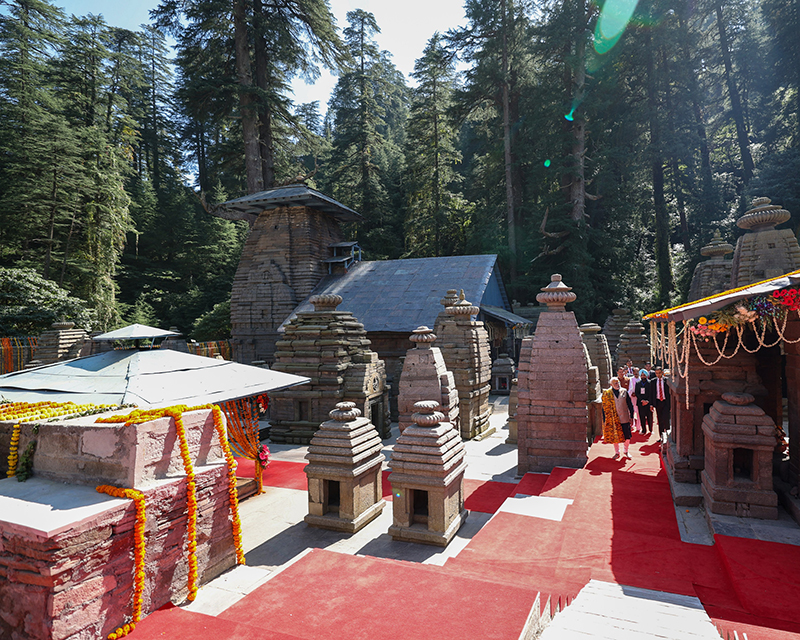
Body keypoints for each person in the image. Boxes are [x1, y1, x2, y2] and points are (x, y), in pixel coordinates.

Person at [602, 377, 634, 459]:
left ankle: (626, 451)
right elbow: (604, 407)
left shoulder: (624, 391)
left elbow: (630, 405)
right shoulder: (607, 393)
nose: (618, 384)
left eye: (618, 382)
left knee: (627, 436)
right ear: (611, 385)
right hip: (613, 418)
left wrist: (632, 416)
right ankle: (617, 452)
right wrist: (605, 419)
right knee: (615, 437)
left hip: (624, 417)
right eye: (615, 383)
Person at [652, 366, 671, 442]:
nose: (658, 374)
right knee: (660, 420)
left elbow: (669, 393)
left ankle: (668, 436)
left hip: (665, 402)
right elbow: (652, 393)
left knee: (666, 419)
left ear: (662, 372)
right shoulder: (653, 381)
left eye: (659, 373)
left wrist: (670, 405)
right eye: (656, 373)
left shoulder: (667, 381)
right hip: (658, 402)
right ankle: (661, 437)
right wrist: (652, 404)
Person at [635, 369, 653, 435]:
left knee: (649, 417)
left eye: (644, 375)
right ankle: (643, 430)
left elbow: (651, 393)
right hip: (640, 403)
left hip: (648, 403)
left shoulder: (650, 383)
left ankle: (651, 430)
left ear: (646, 375)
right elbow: (637, 393)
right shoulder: (638, 383)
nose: (643, 376)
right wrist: (642, 400)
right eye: (642, 375)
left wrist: (647, 401)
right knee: (642, 417)